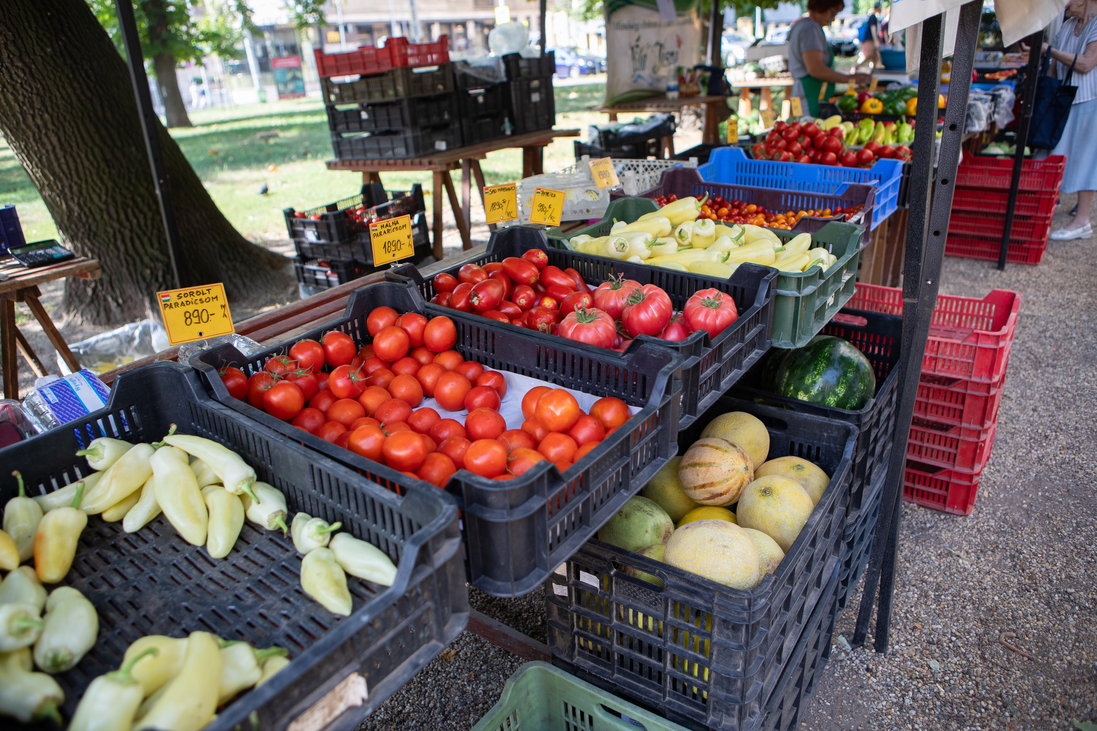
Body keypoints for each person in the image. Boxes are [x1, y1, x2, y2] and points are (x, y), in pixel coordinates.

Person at [1043, 0, 1097, 240]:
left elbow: (1086, 64)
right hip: (1065, 100)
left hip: (1090, 100)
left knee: (1086, 160)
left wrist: (1048, 50)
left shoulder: (1095, 25)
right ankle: (1045, 208)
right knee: (1052, 154)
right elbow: (1054, 68)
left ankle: (1082, 221)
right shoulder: (1067, 26)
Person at [789, 0, 873, 118]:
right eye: (832, 13)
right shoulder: (810, 28)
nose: (833, 19)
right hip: (808, 95)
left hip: (807, 92)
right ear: (820, 8)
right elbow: (816, 69)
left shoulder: (807, 26)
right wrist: (849, 79)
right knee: (807, 127)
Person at [856, 3, 886, 72]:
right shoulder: (873, 17)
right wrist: (876, 41)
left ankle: (873, 71)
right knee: (869, 55)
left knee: (874, 57)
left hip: (870, 40)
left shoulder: (874, 17)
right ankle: (857, 66)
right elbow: (873, 30)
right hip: (870, 40)